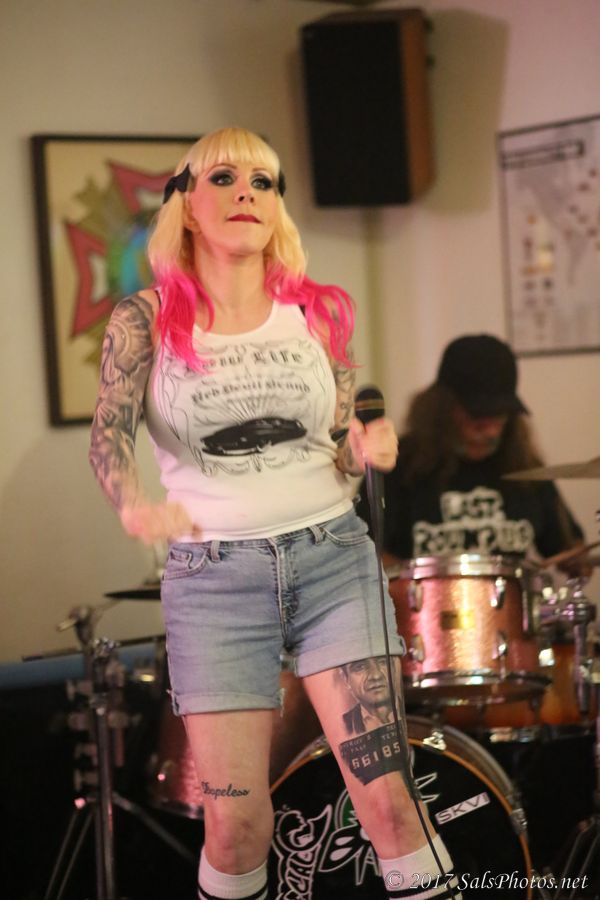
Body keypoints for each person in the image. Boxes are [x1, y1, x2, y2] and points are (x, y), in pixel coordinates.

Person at [89, 128, 462, 900]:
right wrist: (134, 505)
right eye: (224, 178)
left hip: (332, 561)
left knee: (389, 803)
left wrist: (367, 445)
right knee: (235, 825)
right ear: (187, 205)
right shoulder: (145, 319)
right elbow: (108, 436)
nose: (246, 194)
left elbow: (342, 440)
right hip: (214, 579)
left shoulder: (316, 312)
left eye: (263, 181)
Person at [359, 334, 587, 572]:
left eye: (499, 415)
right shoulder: (397, 465)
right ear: (443, 408)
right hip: (420, 596)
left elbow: (568, 547)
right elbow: (362, 551)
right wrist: (414, 578)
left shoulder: (525, 468)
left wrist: (577, 560)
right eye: (478, 416)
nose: (490, 431)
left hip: (509, 596)